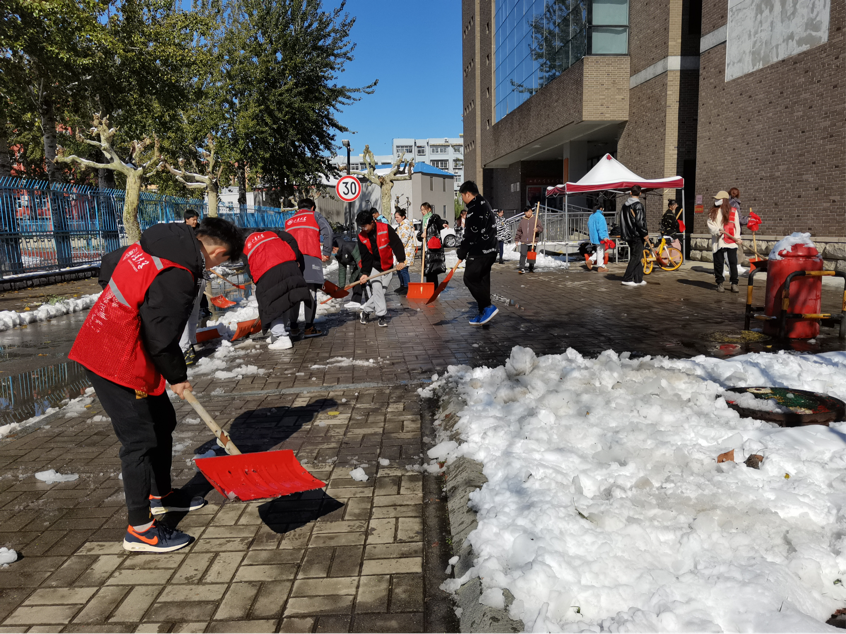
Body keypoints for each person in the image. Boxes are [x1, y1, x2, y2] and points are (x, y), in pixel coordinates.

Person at [70, 218, 244, 553]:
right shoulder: (179, 272)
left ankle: (161, 495)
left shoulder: (160, 240)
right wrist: (178, 377)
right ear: (219, 252)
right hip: (116, 355)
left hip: (116, 339)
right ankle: (140, 530)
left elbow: (109, 266)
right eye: (222, 261)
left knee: (163, 420)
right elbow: (161, 339)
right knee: (139, 440)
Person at [243, 228, 312, 350]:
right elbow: (291, 239)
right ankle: (278, 334)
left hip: (269, 274)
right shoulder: (272, 233)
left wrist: (257, 280)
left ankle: (281, 336)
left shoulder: (245, 247)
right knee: (283, 302)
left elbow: (248, 268)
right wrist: (294, 257)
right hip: (290, 267)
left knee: (272, 305)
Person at [284, 198, 333, 338]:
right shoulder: (314, 215)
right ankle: (309, 327)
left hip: (291, 262)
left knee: (294, 294)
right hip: (310, 259)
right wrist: (327, 253)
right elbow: (328, 232)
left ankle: (293, 327)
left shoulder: (289, 221)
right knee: (310, 293)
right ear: (312, 207)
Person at [457, 181, 498, 325]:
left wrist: (462, 252)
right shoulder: (485, 203)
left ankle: (487, 306)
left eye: (462, 195)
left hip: (480, 251)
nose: (462, 199)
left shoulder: (475, 208)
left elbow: (471, 234)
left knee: (469, 278)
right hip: (491, 250)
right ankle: (483, 313)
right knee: (482, 280)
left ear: (468, 194)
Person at [356, 210, 406, 327]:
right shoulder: (361, 237)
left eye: (365, 226)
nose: (363, 229)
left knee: (381, 292)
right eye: (361, 227)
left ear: (372, 222)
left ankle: (366, 311)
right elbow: (365, 256)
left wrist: (401, 261)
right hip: (373, 266)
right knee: (377, 289)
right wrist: (365, 273)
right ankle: (381, 317)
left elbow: (396, 244)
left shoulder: (385, 228)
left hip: (387, 265)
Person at [707, 190, 742, 293]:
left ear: (724, 200)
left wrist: (737, 237)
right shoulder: (713, 212)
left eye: (719, 199)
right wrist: (717, 230)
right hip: (719, 241)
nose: (716, 201)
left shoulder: (733, 211)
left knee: (732, 262)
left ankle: (734, 283)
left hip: (731, 241)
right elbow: (710, 225)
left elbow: (737, 226)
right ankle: (720, 283)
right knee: (718, 263)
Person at [620, 185, 648, 287]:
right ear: (640, 193)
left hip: (628, 234)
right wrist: (645, 233)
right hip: (637, 235)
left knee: (637, 256)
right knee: (636, 257)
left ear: (631, 193)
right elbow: (640, 222)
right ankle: (627, 278)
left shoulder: (625, 205)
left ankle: (638, 279)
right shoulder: (638, 205)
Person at [418, 202, 447, 286]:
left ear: (429, 209)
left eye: (424, 210)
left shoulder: (433, 217)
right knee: (427, 270)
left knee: (433, 270)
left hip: (433, 248)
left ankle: (434, 290)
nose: (422, 212)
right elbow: (419, 234)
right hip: (425, 248)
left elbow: (439, 222)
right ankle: (429, 289)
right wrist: (421, 235)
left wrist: (443, 223)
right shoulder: (424, 220)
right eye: (421, 210)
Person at [333, 237, 364, 304]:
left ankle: (370, 302)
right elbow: (342, 269)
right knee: (354, 280)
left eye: (331, 251)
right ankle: (355, 302)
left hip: (364, 262)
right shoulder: (338, 254)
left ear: (334, 248)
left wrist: (363, 276)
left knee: (363, 281)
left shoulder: (348, 247)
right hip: (357, 264)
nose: (331, 254)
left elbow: (360, 262)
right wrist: (341, 286)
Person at [514, 206, 543, 274]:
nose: (529, 213)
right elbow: (519, 231)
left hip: (532, 240)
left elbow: (541, 228)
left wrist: (537, 229)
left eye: (530, 211)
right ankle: (522, 268)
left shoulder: (535, 219)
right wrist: (517, 239)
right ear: (525, 213)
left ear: (532, 211)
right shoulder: (522, 221)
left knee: (531, 255)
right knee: (523, 255)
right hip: (524, 240)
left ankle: (531, 268)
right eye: (527, 212)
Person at [393, 209, 415, 295]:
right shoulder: (400, 226)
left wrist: (397, 248)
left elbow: (403, 240)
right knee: (399, 269)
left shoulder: (406, 225)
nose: (396, 219)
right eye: (395, 217)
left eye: (397, 217)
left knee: (403, 269)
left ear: (403, 217)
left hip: (406, 251)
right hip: (400, 251)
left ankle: (407, 286)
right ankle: (402, 285)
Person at [587, 205, 609, 272]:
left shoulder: (591, 216)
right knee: (600, 251)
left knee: (599, 250)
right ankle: (600, 266)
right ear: (601, 208)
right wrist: (604, 237)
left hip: (594, 236)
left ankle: (591, 260)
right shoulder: (600, 216)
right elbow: (601, 228)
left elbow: (589, 225)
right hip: (600, 237)